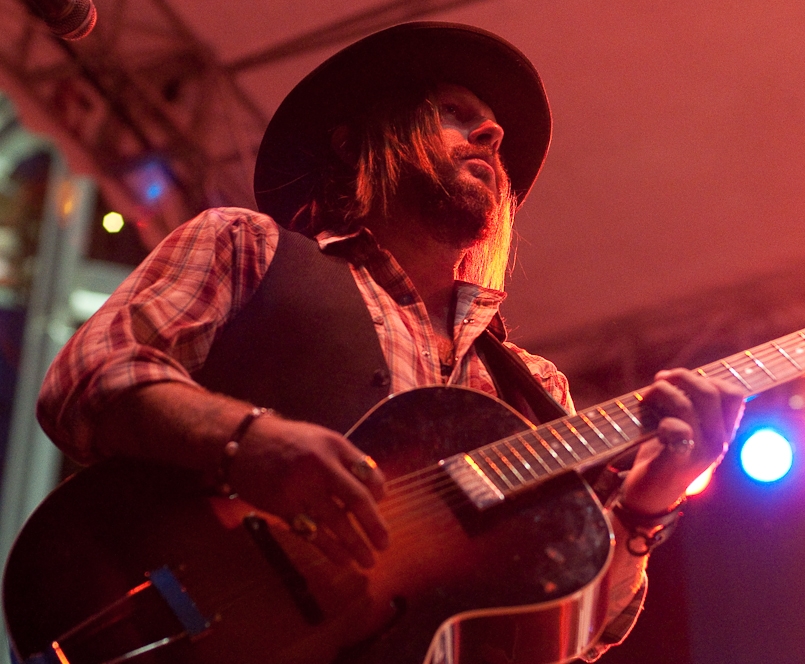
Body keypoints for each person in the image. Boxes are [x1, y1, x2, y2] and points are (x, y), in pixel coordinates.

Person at [36, 22, 744, 663]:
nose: (492, 136)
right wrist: (248, 443)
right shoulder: (246, 246)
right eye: (454, 113)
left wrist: (650, 503)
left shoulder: (535, 391)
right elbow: (88, 375)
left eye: (492, 127)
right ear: (356, 141)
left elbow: (571, 638)